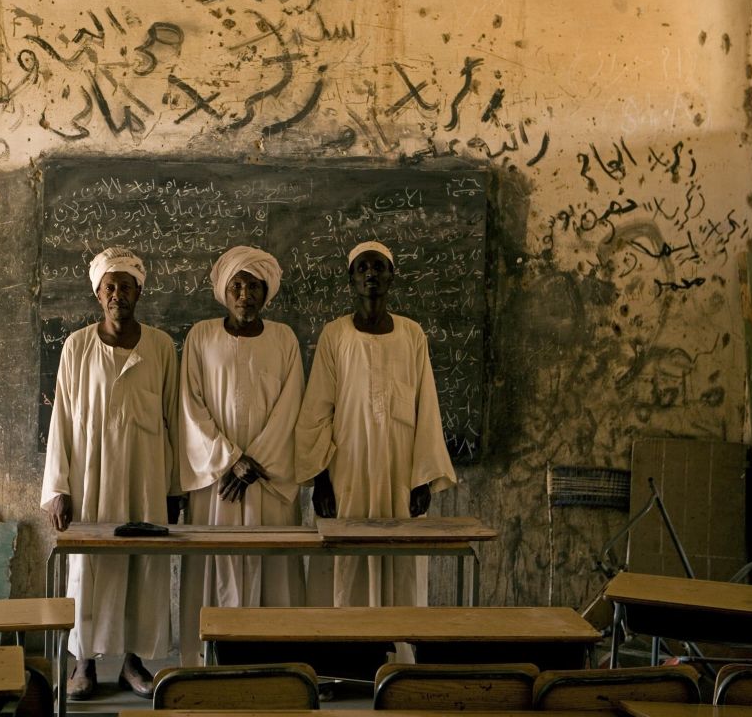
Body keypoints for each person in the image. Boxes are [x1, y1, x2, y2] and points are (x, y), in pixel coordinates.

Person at [40, 247, 181, 700]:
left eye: (126, 285)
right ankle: (84, 662)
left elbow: (174, 418)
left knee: (143, 566)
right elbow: (60, 418)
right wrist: (57, 488)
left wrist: (175, 488)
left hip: (146, 475)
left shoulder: (160, 346)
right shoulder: (78, 346)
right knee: (90, 567)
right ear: (98, 293)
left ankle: (133, 662)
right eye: (109, 287)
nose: (117, 294)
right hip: (91, 477)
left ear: (140, 290)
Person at [295, 240, 458, 607]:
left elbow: (426, 408)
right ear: (351, 278)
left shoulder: (412, 334)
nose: (371, 274)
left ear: (391, 276)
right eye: (363, 268)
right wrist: (320, 479)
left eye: (379, 267)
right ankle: (343, 656)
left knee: (399, 563)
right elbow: (317, 409)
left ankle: (397, 651)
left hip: (400, 472)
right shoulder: (335, 335)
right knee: (345, 563)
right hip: (346, 472)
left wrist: (424, 479)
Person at [178, 246, 306, 664]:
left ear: (266, 292)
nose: (245, 294)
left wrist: (256, 463)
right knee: (215, 562)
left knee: (271, 564)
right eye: (237, 284)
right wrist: (230, 459)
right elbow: (190, 405)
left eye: (254, 285)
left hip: (267, 480)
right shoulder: (201, 336)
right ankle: (208, 659)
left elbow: (292, 407)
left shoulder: (284, 339)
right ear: (223, 290)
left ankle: (276, 658)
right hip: (218, 481)